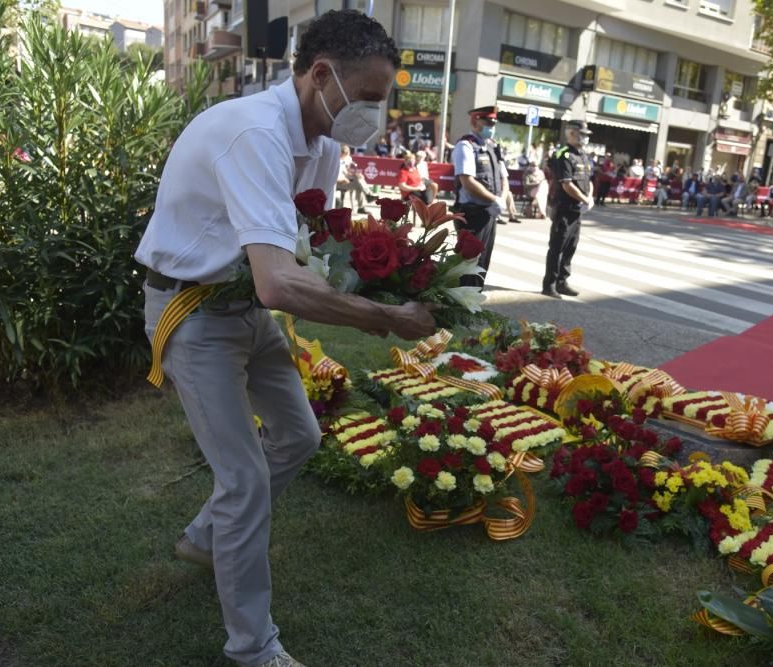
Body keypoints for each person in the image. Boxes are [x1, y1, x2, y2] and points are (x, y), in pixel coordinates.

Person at [133, 11, 436, 667]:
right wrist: (386, 317)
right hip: (192, 309)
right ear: (322, 75)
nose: (376, 115)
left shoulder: (323, 141)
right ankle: (254, 647)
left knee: (299, 433)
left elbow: (306, 250)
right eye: (371, 97)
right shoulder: (253, 133)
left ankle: (208, 534)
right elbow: (280, 283)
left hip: (240, 304)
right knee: (243, 480)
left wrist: (396, 273)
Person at [451, 105, 508, 287]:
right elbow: (467, 181)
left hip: (490, 213)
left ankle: (474, 301)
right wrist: (494, 199)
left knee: (482, 264)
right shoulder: (465, 146)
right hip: (471, 214)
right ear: (475, 121)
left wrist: (502, 199)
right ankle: (458, 308)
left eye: (493, 123)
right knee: (467, 265)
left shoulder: (493, 147)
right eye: (488, 122)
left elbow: (503, 177)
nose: (491, 127)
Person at [543, 120, 593, 299]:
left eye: (587, 134)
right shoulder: (563, 155)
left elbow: (588, 180)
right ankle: (549, 284)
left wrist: (590, 197)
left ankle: (562, 282)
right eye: (582, 134)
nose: (585, 137)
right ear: (571, 133)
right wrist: (584, 198)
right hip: (564, 207)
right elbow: (566, 184)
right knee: (557, 246)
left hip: (577, 209)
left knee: (571, 246)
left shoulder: (582, 155)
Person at [336, 144, 373, 212]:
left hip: (345, 180)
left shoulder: (344, 160)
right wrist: (343, 179)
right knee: (359, 183)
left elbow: (346, 172)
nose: (344, 156)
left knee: (359, 179)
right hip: (338, 183)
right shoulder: (335, 160)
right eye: (343, 154)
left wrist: (355, 174)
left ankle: (367, 197)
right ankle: (365, 199)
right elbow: (335, 176)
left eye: (346, 154)